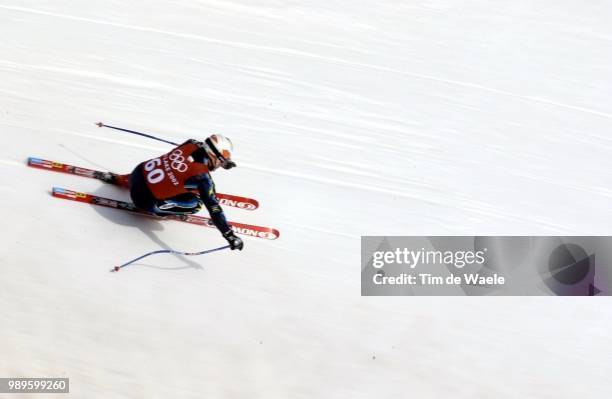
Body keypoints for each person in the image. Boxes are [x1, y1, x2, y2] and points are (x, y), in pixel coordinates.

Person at [106, 134, 243, 251]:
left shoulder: (190, 143)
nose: (220, 165)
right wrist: (229, 235)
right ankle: (161, 210)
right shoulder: (203, 178)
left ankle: (122, 180)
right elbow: (214, 208)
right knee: (197, 204)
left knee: (173, 171)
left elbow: (180, 165)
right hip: (143, 199)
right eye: (221, 161)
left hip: (136, 175)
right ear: (213, 155)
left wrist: (222, 160)